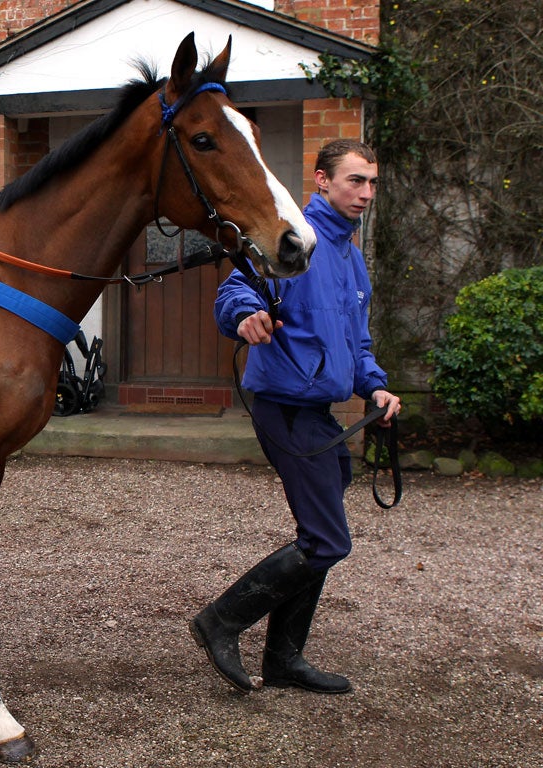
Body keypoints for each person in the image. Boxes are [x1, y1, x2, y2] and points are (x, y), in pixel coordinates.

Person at [190, 138, 402, 695]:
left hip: (319, 412)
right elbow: (235, 291)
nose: (366, 192)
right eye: (355, 180)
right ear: (322, 181)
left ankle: (284, 659)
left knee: (319, 536)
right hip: (284, 406)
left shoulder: (352, 258)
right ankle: (221, 620)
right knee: (327, 541)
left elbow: (358, 343)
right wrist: (247, 315)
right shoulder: (296, 241)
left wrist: (376, 389)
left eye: (372, 182)